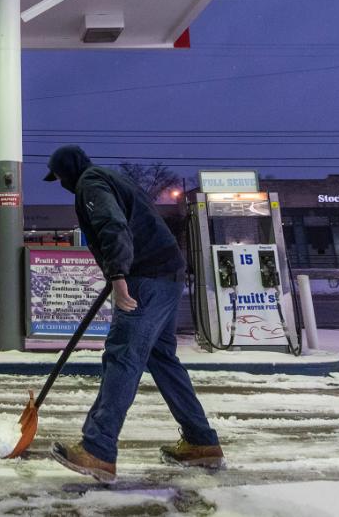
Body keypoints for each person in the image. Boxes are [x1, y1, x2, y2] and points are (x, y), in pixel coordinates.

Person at [42, 145, 223, 482]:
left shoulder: (90, 183)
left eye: (61, 177)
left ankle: (98, 449)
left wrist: (118, 276)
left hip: (145, 278)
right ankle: (201, 443)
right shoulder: (111, 176)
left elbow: (113, 225)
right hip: (166, 273)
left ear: (68, 170)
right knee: (161, 358)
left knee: (123, 356)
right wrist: (120, 271)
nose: (63, 183)